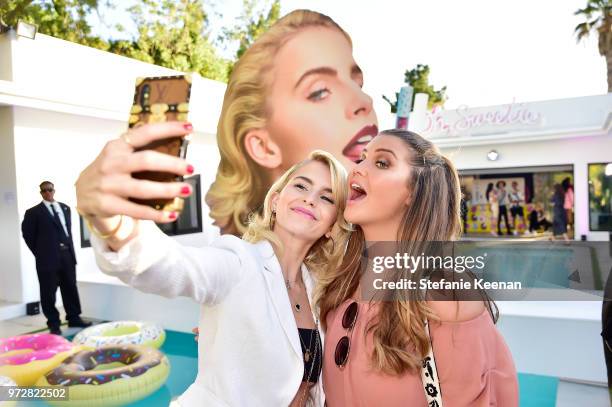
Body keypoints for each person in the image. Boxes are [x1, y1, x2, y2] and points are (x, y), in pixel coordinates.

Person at [75, 122, 351, 406]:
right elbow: (173, 265)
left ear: (332, 224)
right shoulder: (238, 261)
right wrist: (111, 222)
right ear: (276, 201)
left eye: (326, 197)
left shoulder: (318, 289)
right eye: (302, 185)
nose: (310, 198)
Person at [317, 130, 519, 406]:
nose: (357, 169)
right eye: (362, 159)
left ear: (413, 192)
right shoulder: (342, 279)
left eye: (382, 163)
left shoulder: (445, 293)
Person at [205, 9, 378, 236]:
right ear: (263, 146)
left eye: (358, 83)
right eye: (319, 91)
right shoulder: (235, 260)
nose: (364, 100)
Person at [21, 181, 91, 335]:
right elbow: (28, 236)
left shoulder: (65, 208)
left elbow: (68, 231)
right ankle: (53, 323)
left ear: (54, 190)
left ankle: (74, 317)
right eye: (44, 190)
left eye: (50, 189)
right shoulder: (33, 213)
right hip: (47, 260)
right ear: (41, 193)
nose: (47, 192)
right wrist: (41, 253)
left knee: (70, 287)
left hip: (67, 256)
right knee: (48, 291)